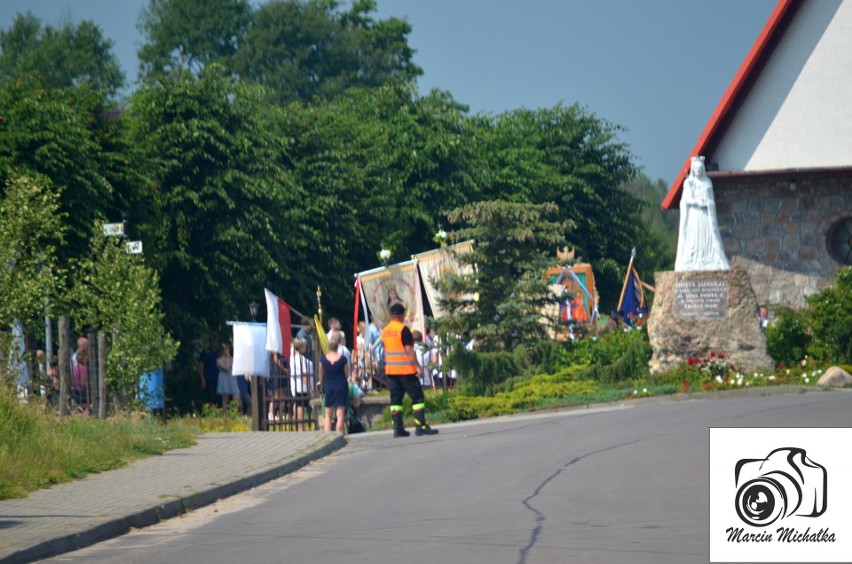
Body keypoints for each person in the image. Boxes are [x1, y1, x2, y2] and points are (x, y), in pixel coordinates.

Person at [381, 303, 438, 437]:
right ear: (401, 315)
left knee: (396, 401)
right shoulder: (403, 330)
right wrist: (418, 367)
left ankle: (398, 429)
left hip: (391, 372)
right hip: (406, 371)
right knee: (417, 397)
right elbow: (409, 350)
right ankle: (420, 426)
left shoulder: (385, 331)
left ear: (391, 314)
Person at [675, 156, 731, 272]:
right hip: (694, 216)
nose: (698, 170)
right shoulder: (688, 183)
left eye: (700, 168)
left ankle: (708, 258)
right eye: (696, 168)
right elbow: (684, 202)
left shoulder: (707, 182)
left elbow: (711, 201)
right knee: (694, 239)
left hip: (705, 216)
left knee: (706, 238)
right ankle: (693, 259)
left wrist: (706, 203)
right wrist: (695, 202)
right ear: (693, 170)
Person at [319, 335, 349, 433]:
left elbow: (321, 376)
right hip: (341, 386)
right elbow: (346, 374)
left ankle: (328, 436)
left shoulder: (323, 360)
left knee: (328, 414)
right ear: (337, 347)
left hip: (329, 386)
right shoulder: (343, 359)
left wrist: (321, 382)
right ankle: (339, 433)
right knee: (340, 414)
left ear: (328, 347)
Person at [289, 338, 313, 430]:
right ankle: (300, 426)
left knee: (297, 404)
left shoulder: (293, 358)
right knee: (300, 406)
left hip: (295, 385)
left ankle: (297, 424)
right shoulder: (301, 359)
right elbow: (304, 375)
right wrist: (309, 387)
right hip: (301, 387)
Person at [216, 341, 239, 413]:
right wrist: (228, 358)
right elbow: (227, 368)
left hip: (232, 379)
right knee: (225, 398)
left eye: (227, 348)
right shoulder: (218, 360)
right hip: (224, 379)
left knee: (236, 396)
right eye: (224, 349)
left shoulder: (232, 359)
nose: (226, 350)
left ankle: (235, 413)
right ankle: (225, 415)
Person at [197, 336, 220, 406]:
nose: (215, 343)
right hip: (209, 379)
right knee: (210, 398)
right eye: (214, 341)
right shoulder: (205, 353)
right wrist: (203, 380)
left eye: (216, 341)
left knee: (219, 398)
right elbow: (200, 368)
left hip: (219, 379)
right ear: (210, 342)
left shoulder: (219, 353)